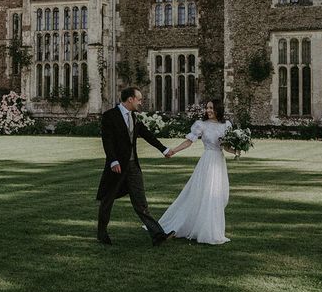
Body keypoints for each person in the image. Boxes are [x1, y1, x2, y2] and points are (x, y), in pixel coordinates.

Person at [96, 87, 175, 247]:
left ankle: (157, 235)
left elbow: (147, 135)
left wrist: (164, 149)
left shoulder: (134, 117)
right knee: (107, 200)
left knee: (141, 202)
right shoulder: (110, 116)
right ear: (130, 99)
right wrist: (113, 160)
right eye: (139, 99)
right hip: (116, 167)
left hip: (133, 166)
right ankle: (101, 233)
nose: (141, 102)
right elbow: (108, 140)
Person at [158, 100, 236, 245]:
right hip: (207, 162)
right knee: (204, 193)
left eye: (211, 108)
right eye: (207, 108)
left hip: (219, 162)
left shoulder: (226, 125)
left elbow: (225, 146)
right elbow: (189, 141)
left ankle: (211, 228)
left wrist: (236, 150)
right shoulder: (202, 125)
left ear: (218, 109)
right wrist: (174, 150)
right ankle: (202, 230)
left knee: (219, 195)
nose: (208, 110)